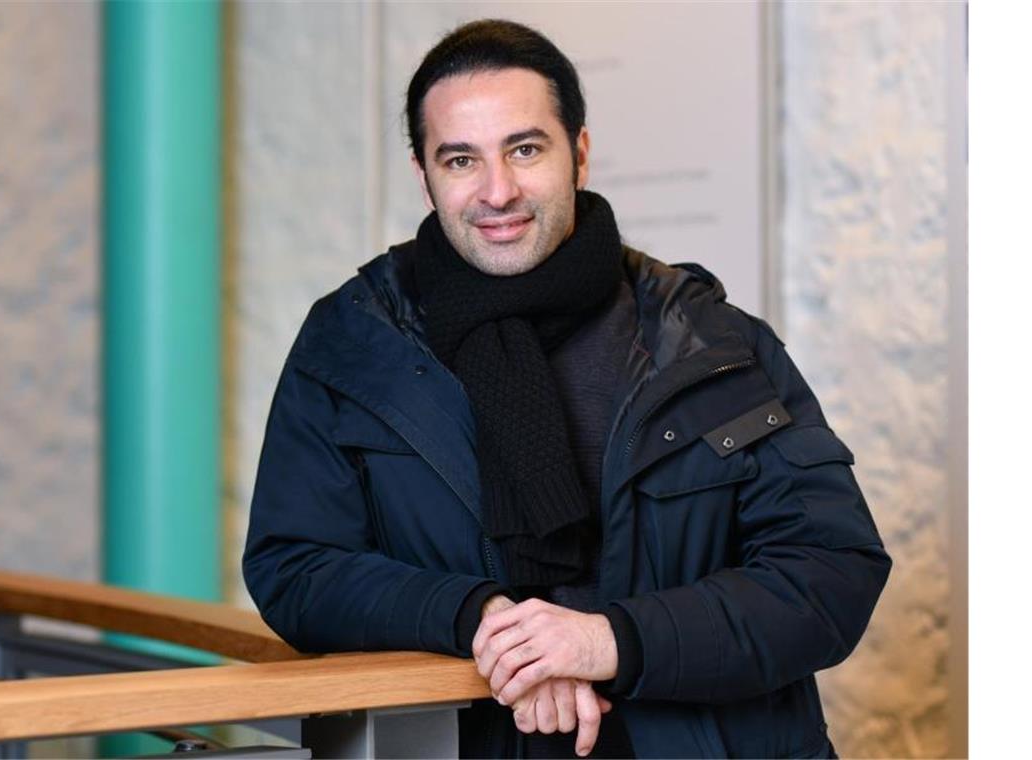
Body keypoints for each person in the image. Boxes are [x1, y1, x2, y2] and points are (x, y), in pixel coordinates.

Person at [243, 18, 890, 759]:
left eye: (525, 149)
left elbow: (831, 571)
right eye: (461, 159)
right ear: (424, 176)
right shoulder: (354, 343)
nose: (498, 191)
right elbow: (295, 568)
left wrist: (608, 641)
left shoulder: (713, 343)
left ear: (578, 154)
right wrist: (484, 620)